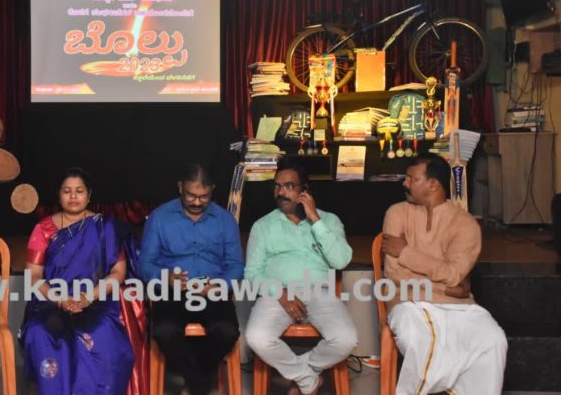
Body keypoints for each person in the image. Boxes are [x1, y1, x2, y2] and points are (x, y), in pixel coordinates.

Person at [382, 153, 507, 395]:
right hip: (408, 303)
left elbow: (454, 273)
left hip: (459, 307)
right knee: (416, 338)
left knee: (493, 339)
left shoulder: (465, 224)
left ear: (433, 184)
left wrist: (405, 252)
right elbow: (395, 273)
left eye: (412, 178)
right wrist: (446, 287)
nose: (405, 183)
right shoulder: (396, 213)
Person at [20, 167, 140, 394]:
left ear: (89, 194)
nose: (73, 196)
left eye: (79, 191)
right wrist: (61, 300)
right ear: (59, 194)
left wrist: (86, 298)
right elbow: (33, 276)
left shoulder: (105, 227)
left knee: (102, 334)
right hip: (51, 302)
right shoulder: (43, 229)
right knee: (41, 332)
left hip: (96, 301)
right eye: (67, 191)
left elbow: (118, 272)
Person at [245, 155, 357, 395]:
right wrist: (281, 294)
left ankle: (302, 375)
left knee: (345, 339)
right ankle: (308, 380)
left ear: (304, 190)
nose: (281, 192)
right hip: (276, 294)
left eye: (289, 186)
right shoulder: (263, 226)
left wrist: (315, 219)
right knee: (256, 337)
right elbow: (252, 274)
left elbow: (341, 260)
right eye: (277, 186)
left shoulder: (329, 221)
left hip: (319, 292)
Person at [139, 163, 244, 395]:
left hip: (212, 290)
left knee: (227, 331)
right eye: (190, 195)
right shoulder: (159, 217)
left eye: (203, 197)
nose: (196, 202)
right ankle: (199, 385)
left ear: (212, 190)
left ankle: (193, 382)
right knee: (164, 331)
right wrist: (166, 278)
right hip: (172, 290)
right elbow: (144, 265)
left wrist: (219, 285)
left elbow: (236, 265)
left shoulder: (225, 220)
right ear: (180, 187)